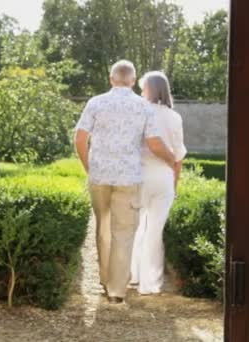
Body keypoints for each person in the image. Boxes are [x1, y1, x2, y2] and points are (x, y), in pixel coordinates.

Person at [74, 60, 176, 304]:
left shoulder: (96, 102)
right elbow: (153, 143)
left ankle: (103, 280)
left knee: (103, 230)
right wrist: (173, 159)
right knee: (124, 233)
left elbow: (79, 139)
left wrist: (90, 168)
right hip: (129, 178)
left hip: (100, 177)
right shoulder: (143, 107)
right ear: (132, 81)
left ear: (111, 79)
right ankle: (117, 292)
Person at [130, 71, 187, 295]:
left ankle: (133, 275)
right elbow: (178, 156)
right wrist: (175, 184)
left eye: (143, 88)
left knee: (136, 227)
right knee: (155, 230)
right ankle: (150, 283)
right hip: (163, 177)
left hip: (139, 175)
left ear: (149, 90)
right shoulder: (174, 117)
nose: (141, 92)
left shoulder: (138, 112)